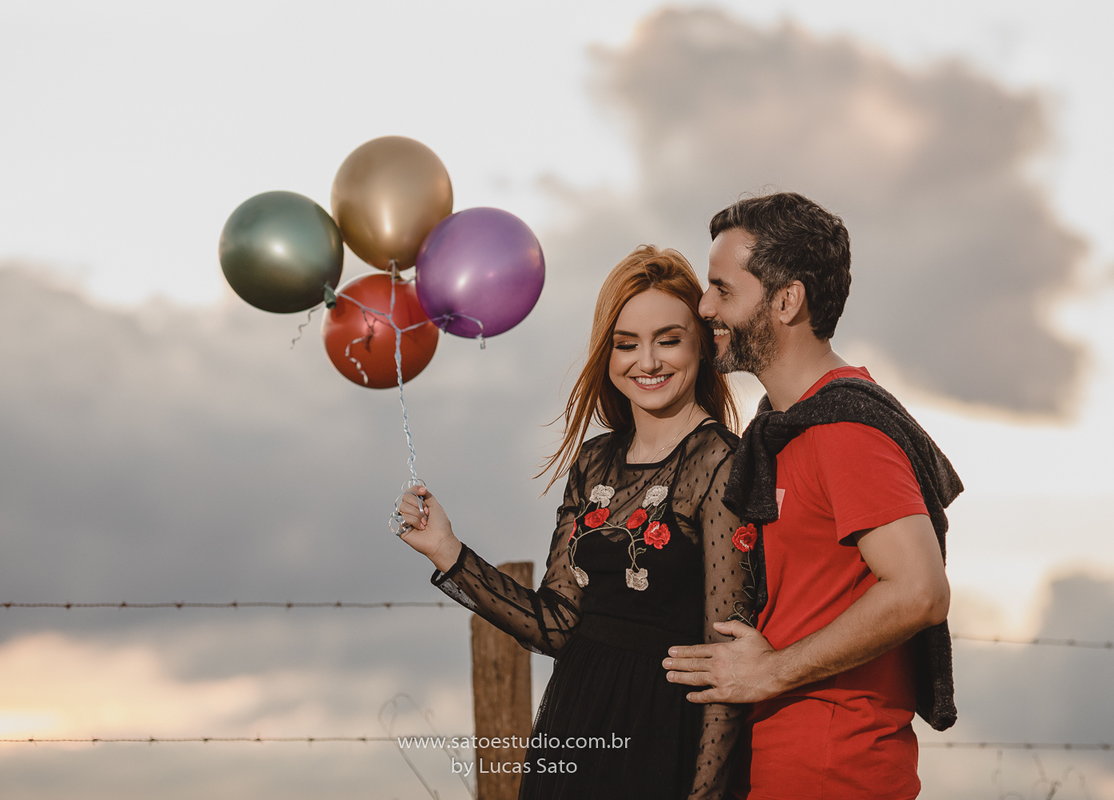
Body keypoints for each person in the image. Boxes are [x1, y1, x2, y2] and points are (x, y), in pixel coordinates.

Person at [397, 245, 755, 799]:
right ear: (607, 356)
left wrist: (704, 795)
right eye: (627, 344)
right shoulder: (595, 461)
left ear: (701, 346)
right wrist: (448, 550)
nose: (648, 362)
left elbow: (728, 665)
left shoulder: (722, 464)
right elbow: (557, 623)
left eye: (668, 339)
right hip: (574, 731)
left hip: (665, 742)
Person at [662, 192, 962, 800]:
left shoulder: (844, 431)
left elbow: (921, 591)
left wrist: (772, 671)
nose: (703, 305)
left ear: (786, 300)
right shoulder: (782, 426)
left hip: (834, 771)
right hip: (781, 764)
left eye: (723, 289)